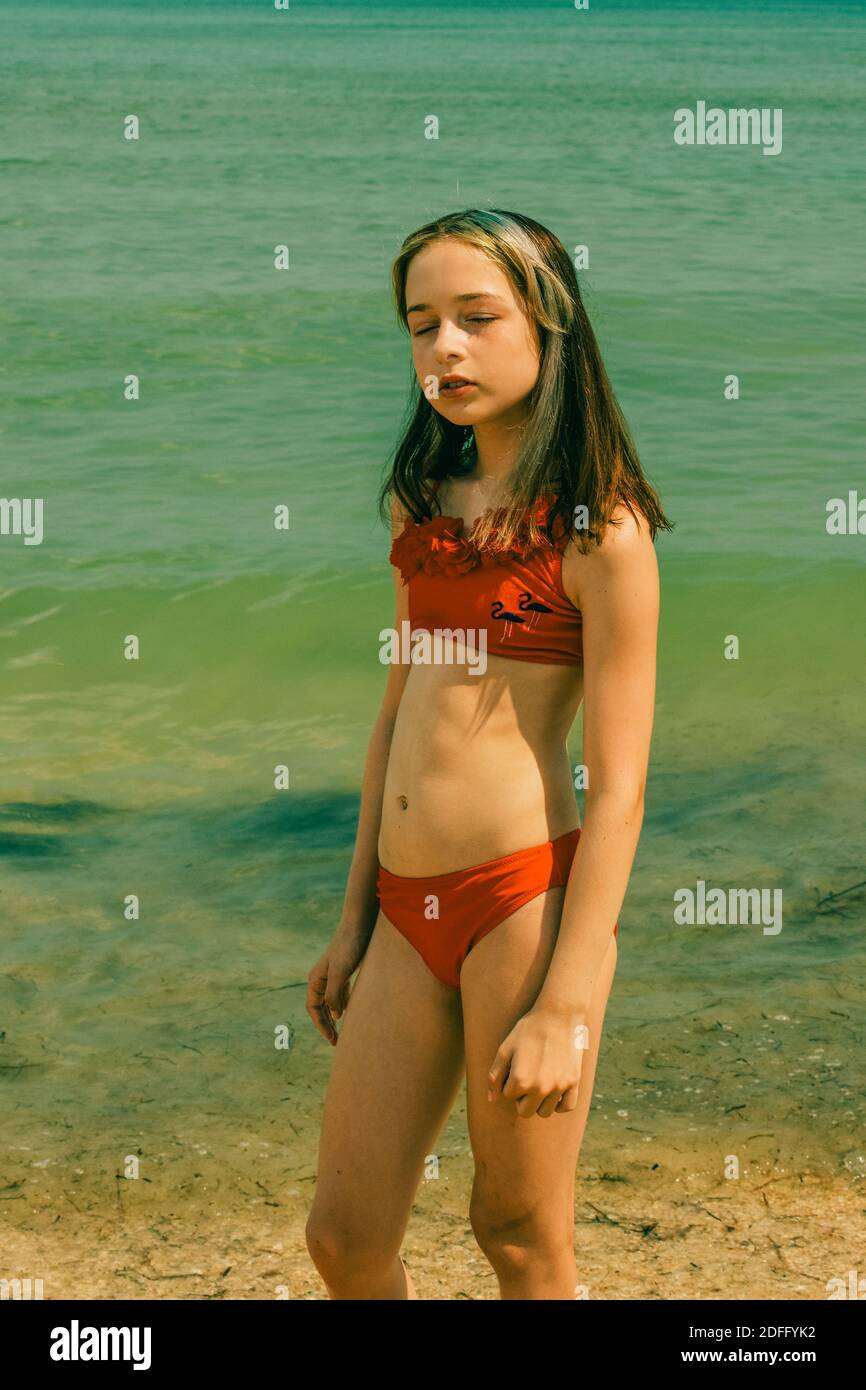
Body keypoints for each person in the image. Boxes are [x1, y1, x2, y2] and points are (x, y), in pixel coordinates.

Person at [305, 208, 672, 1300]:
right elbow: (394, 723)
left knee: (515, 1230)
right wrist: (354, 911)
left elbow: (618, 788)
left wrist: (567, 997)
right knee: (345, 1237)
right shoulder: (427, 505)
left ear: (547, 326)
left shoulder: (600, 531)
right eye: (420, 326)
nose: (443, 349)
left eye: (474, 318)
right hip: (404, 911)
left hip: (520, 904)